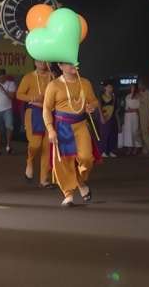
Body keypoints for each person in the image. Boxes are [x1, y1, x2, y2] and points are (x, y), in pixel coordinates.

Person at [44, 62, 99, 206]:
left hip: (81, 125)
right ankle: (68, 194)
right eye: (68, 63)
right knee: (65, 161)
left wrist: (91, 106)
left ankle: (80, 181)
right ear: (60, 66)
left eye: (73, 61)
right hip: (62, 126)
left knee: (86, 158)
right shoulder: (54, 85)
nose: (72, 65)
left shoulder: (85, 83)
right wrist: (50, 129)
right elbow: (47, 109)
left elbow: (94, 101)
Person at [16, 60, 55, 187]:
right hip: (34, 112)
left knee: (47, 147)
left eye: (44, 60)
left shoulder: (53, 76)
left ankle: (44, 179)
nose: (42, 63)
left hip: (49, 113)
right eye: (39, 61)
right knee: (35, 144)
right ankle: (30, 160)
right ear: (35, 62)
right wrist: (33, 98)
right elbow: (19, 95)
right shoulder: (28, 77)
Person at [0, 69, 16, 155]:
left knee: (9, 127)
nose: (1, 79)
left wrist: (4, 90)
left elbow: (12, 96)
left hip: (7, 109)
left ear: (5, 76)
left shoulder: (10, 83)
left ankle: (8, 146)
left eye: (3, 77)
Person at [120, 82, 145, 156]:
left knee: (135, 131)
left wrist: (134, 110)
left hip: (135, 116)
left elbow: (140, 107)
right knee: (128, 131)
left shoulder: (139, 96)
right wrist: (128, 110)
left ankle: (136, 147)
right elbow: (126, 107)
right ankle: (129, 147)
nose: (132, 88)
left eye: (133, 87)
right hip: (128, 116)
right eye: (131, 87)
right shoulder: (127, 96)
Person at [96, 80, 118, 157]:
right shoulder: (101, 96)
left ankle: (111, 150)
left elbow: (115, 108)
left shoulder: (113, 97)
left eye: (111, 87)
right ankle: (103, 151)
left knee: (112, 133)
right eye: (109, 87)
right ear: (105, 88)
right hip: (104, 116)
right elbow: (99, 107)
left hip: (112, 117)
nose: (110, 88)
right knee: (104, 134)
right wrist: (102, 117)